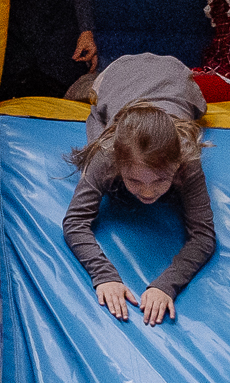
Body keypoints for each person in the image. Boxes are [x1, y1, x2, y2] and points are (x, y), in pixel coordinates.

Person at [63, 52, 216, 326]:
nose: (147, 193)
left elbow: (204, 236)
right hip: (118, 74)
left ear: (176, 166)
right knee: (94, 104)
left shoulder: (186, 158)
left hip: (174, 75)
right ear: (118, 166)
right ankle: (88, 82)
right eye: (134, 181)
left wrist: (166, 285)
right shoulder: (107, 154)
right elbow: (75, 221)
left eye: (160, 180)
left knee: (200, 107)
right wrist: (104, 275)